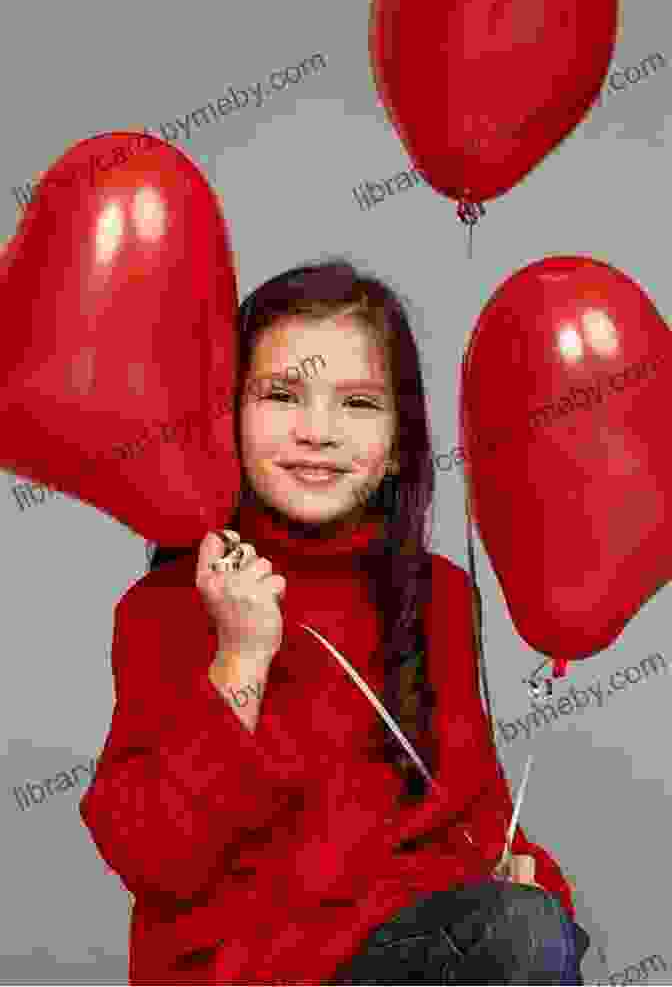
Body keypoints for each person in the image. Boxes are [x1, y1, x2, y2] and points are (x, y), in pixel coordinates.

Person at [79, 258, 591, 985]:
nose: (318, 431)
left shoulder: (439, 595)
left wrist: (534, 891)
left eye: (357, 404)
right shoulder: (167, 606)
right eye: (282, 395)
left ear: (396, 449)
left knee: (530, 925)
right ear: (226, 416)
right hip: (249, 974)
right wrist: (241, 656)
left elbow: (472, 813)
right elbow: (156, 858)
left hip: (408, 958)